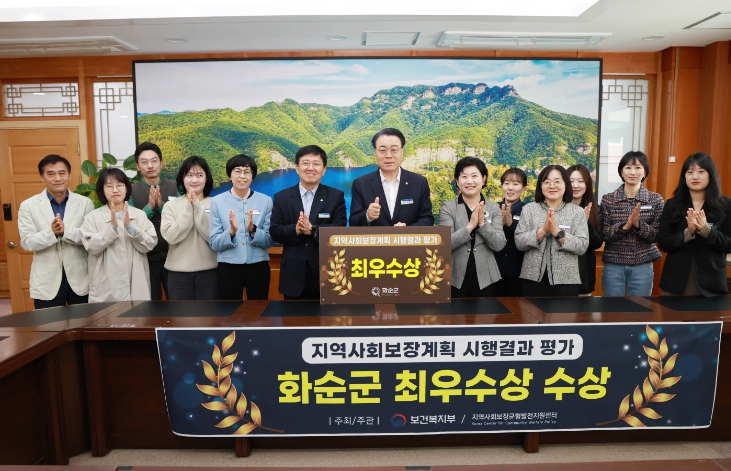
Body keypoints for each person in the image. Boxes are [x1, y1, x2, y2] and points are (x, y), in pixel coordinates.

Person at [18, 154, 95, 309]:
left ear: (69, 175)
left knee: (83, 322)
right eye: (51, 174)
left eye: (62, 173)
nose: (58, 178)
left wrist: (65, 231)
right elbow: (27, 242)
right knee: (49, 323)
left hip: (80, 279)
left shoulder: (85, 203)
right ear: (42, 177)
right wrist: (51, 233)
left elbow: (90, 238)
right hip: (46, 281)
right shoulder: (28, 206)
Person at [271, 145, 347, 300]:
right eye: (305, 163)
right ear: (297, 168)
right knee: (292, 315)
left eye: (316, 164)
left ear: (324, 170)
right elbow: (275, 231)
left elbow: (339, 230)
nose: (310, 168)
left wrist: (313, 230)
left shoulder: (335, 196)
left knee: (326, 315)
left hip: (326, 272)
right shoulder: (282, 197)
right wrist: (296, 229)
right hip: (293, 275)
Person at [658, 153, 731, 296]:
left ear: (710, 175)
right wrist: (688, 233)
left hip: (712, 284)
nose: (695, 177)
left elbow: (729, 244)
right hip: (676, 282)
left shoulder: (726, 205)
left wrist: (707, 231)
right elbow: (664, 243)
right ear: (684, 177)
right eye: (690, 172)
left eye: (701, 171)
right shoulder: (672, 205)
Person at [80, 168, 157, 302]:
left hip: (136, 283)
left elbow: (150, 244)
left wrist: (130, 228)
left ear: (126, 188)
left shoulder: (139, 215)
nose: (115, 190)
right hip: (105, 285)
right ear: (102, 190)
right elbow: (91, 247)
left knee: (137, 314)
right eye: (109, 186)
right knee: (107, 315)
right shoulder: (92, 218)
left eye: (120, 185)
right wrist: (111, 228)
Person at [515, 165, 589, 296]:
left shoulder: (577, 212)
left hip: (566, 280)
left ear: (566, 185)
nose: (552, 186)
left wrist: (558, 233)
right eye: (547, 182)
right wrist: (541, 232)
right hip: (532, 279)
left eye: (557, 181)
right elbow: (519, 242)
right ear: (541, 186)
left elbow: (582, 246)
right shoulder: (529, 209)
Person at [439, 157, 506, 298]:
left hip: (487, 278)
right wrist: (469, 226)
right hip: (453, 278)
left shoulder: (494, 208)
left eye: (474, 176)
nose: (469, 181)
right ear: (457, 181)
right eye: (464, 177)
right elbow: (444, 243)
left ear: (484, 179)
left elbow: (499, 244)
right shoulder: (448, 207)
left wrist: (482, 224)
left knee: (486, 312)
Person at [209, 154, 273, 300]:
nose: (242, 176)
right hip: (228, 267)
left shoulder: (266, 201)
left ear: (252, 176)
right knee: (229, 310)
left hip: (258, 266)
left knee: (258, 309)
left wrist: (253, 230)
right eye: (237, 171)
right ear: (230, 175)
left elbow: (270, 240)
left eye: (247, 172)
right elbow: (214, 243)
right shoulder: (217, 201)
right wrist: (231, 232)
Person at [600, 151, 664, 296]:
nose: (633, 172)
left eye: (638, 167)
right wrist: (625, 226)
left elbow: (657, 234)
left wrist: (638, 225)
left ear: (645, 172)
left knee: (640, 307)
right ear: (621, 172)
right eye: (628, 167)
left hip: (643, 264)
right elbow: (605, 234)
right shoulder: (608, 199)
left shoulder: (655, 199)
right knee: (612, 307)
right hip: (613, 264)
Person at [160, 156, 218, 300]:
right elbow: (171, 237)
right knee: (180, 314)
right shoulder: (170, 206)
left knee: (209, 314)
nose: (194, 180)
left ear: (206, 178)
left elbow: (213, 237)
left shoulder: (215, 204)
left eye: (199, 175)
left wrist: (197, 207)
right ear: (182, 178)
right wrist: (188, 209)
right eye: (189, 175)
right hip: (177, 275)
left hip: (209, 274)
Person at [349, 128, 433, 226]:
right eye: (382, 150)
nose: (388, 155)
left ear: (402, 151)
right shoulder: (361, 184)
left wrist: (408, 230)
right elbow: (353, 222)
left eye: (394, 150)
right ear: (375, 152)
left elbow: (427, 218)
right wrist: (367, 216)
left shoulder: (419, 183)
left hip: (407, 236)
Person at [128, 142, 179, 300]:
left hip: (174, 257)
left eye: (154, 161)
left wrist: (162, 206)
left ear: (161, 163)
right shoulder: (130, 192)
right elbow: (130, 225)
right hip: (145, 259)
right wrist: (149, 208)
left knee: (177, 304)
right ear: (138, 166)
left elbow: (182, 220)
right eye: (144, 162)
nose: (150, 166)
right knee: (150, 305)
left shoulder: (176, 187)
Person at [567, 164, 604, 295]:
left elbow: (597, 243)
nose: (575, 185)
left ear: (587, 184)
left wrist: (586, 222)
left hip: (584, 272)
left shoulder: (597, 210)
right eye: (571, 181)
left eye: (580, 181)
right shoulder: (557, 209)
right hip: (561, 273)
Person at [493, 168, 528, 297]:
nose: (510, 188)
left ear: (524, 188)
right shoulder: (492, 209)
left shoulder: (528, 211)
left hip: (518, 274)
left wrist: (510, 225)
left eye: (516, 184)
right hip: (493, 273)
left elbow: (527, 240)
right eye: (506, 183)